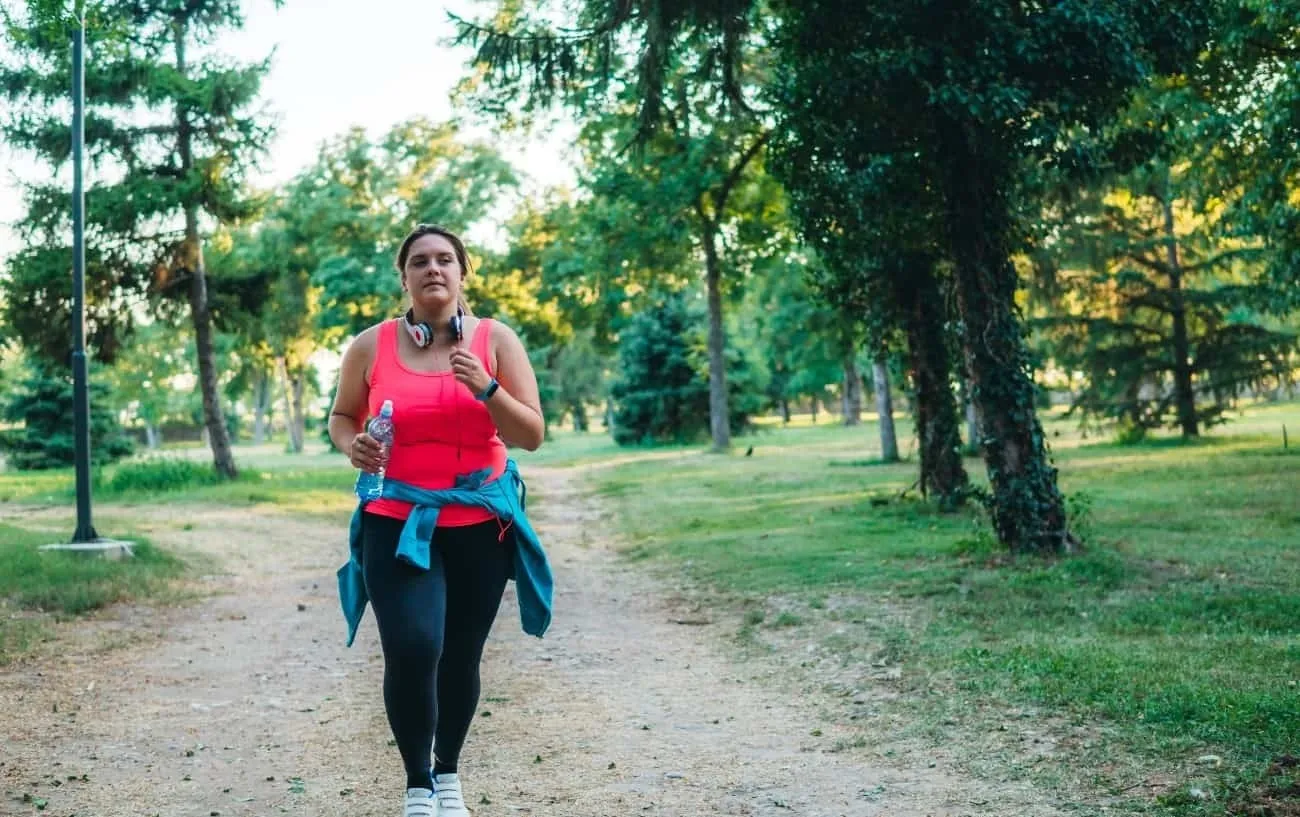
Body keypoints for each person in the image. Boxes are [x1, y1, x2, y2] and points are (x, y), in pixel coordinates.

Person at [328, 224, 548, 817]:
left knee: (459, 654)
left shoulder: (495, 340)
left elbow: (529, 433)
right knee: (412, 645)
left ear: (462, 273)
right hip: (395, 520)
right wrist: (354, 446)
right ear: (404, 277)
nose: (434, 269)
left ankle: (447, 773)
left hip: (480, 525)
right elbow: (343, 417)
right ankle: (417, 785)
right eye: (420, 261)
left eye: (445, 259)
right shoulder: (369, 346)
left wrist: (488, 387)